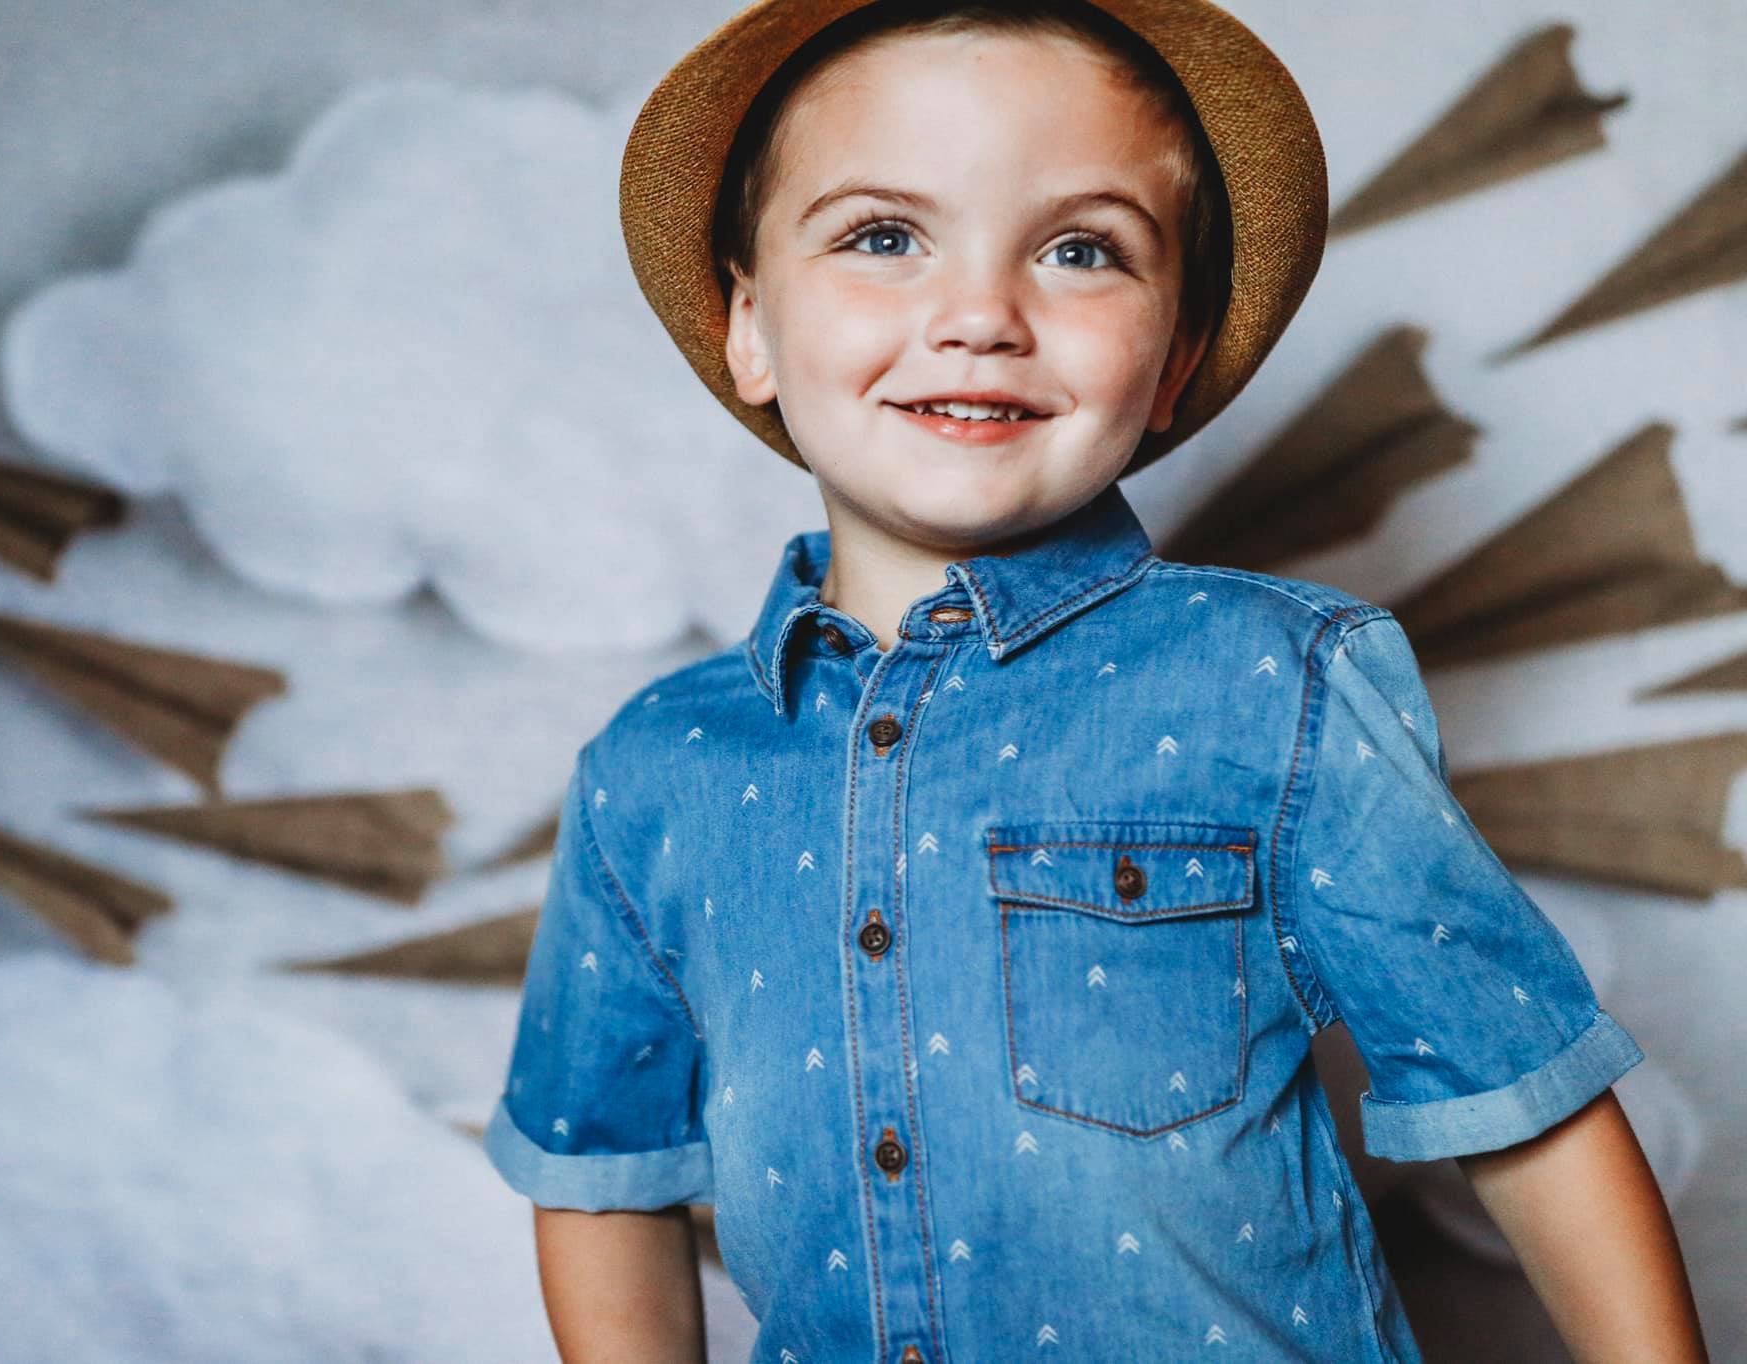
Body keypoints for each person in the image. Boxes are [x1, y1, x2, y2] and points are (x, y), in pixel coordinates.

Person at [481, 1, 1713, 1359]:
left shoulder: (1276, 685)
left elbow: (1521, 1093)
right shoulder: (655, 769)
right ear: (750, 325)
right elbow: (602, 1174)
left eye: (1080, 249)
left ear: (1176, 352)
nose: (980, 317)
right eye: (884, 236)